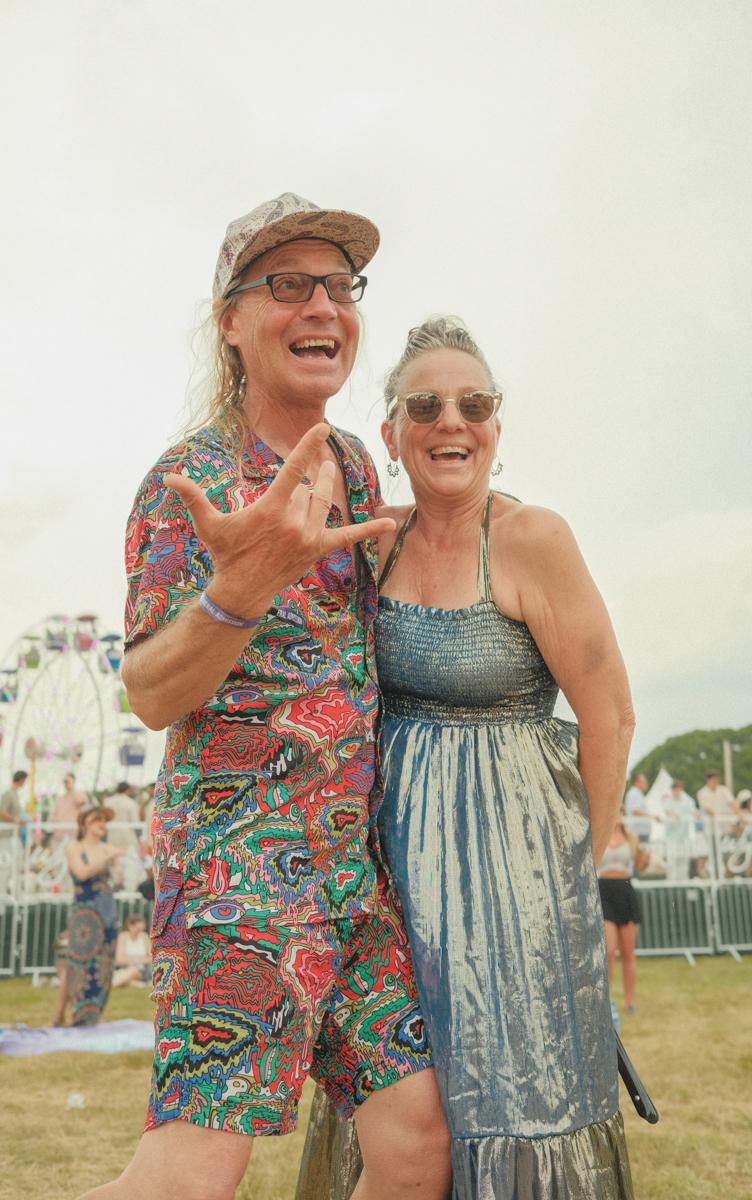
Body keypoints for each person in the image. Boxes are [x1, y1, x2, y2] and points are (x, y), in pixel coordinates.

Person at [78, 194, 450, 1200]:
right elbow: (151, 690)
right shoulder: (188, 479)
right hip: (237, 873)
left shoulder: (353, 465)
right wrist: (237, 591)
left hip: (351, 876)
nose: (320, 303)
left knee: (417, 1142)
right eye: (288, 284)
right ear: (231, 320)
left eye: (338, 285)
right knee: (192, 1175)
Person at [300, 317, 636, 1198]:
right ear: (393, 434)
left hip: (518, 895)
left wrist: (570, 872)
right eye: (426, 405)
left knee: (511, 1098)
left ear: (495, 424)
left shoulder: (534, 540)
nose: (453, 421)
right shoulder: (377, 541)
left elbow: (610, 718)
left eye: (474, 404)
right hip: (395, 882)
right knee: (408, 1107)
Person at [65, 806, 122, 1026]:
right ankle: (79, 1014)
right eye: (97, 820)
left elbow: (117, 880)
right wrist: (108, 858)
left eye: (104, 821)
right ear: (85, 824)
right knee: (80, 961)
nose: (102, 824)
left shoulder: (108, 848)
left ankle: (96, 1013)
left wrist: (117, 866)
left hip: (106, 908)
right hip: (84, 911)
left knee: (104, 963)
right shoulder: (75, 847)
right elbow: (81, 873)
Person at [598, 815, 646, 1016]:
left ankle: (629, 1002)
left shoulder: (632, 838)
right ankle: (605, 1003)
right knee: (609, 951)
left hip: (625, 890)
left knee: (628, 952)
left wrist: (644, 861)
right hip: (605, 890)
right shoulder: (600, 833)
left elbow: (640, 868)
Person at [0, 769, 28, 893]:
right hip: (6, 836)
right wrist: (15, 819)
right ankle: (0, 901)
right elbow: (1, 812)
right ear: (21, 780)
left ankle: (17, 895)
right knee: (4, 867)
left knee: (16, 865)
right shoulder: (8, 794)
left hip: (14, 836)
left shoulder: (15, 794)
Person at [662, 779, 696, 880]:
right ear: (672, 790)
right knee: (672, 864)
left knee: (684, 864)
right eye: (675, 789)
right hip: (671, 839)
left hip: (684, 838)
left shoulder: (689, 801)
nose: (677, 792)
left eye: (679, 789)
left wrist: (681, 816)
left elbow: (694, 813)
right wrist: (678, 816)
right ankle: (672, 887)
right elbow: (668, 812)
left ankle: (683, 886)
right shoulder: (668, 802)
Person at [112, 912, 153, 988]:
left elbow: (152, 957)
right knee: (124, 972)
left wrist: (137, 962)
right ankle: (140, 984)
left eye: (141, 929)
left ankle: (112, 985)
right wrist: (134, 962)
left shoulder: (144, 937)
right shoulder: (123, 937)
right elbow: (119, 959)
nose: (139, 931)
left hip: (142, 969)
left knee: (132, 971)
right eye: (137, 928)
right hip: (126, 967)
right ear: (130, 926)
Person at [51, 772, 89, 842]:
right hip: (59, 835)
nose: (66, 783)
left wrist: (71, 787)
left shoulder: (80, 794)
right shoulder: (60, 798)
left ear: (74, 781)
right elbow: (55, 815)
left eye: (67, 781)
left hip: (73, 835)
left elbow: (81, 801)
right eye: (64, 781)